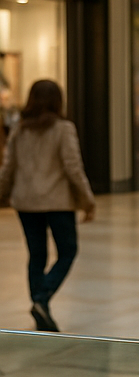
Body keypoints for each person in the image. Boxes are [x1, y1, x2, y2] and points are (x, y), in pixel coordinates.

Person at [0, 79, 96, 332]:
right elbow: (73, 168)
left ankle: (39, 305)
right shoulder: (63, 129)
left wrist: (3, 192)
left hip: (26, 202)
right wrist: (87, 200)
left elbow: (8, 168)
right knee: (68, 250)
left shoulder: (20, 130)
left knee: (37, 255)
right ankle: (41, 299)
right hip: (58, 202)